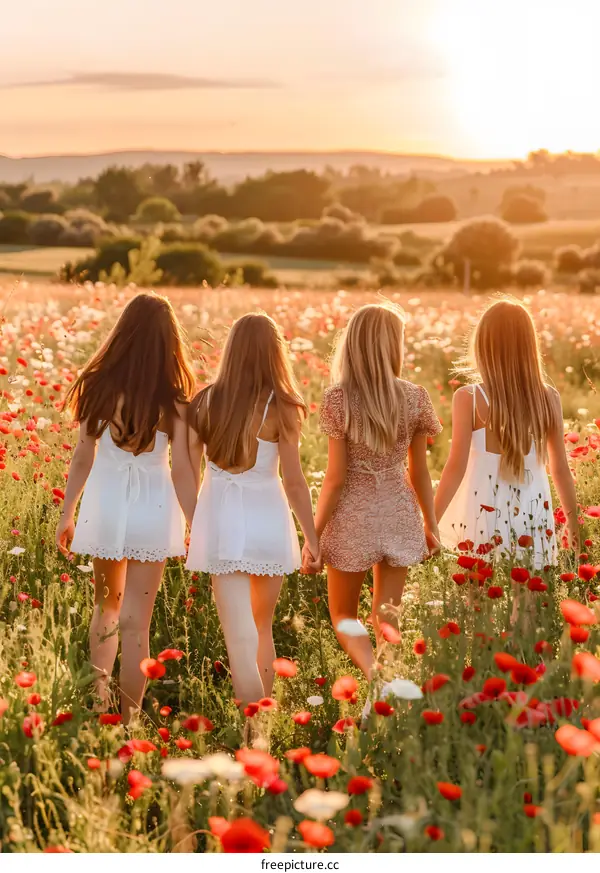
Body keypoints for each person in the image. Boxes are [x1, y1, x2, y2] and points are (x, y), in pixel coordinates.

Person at [56, 292, 195, 723]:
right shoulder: (174, 399)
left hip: (108, 503)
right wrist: (195, 521)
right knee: (138, 622)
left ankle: (99, 705)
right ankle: (130, 720)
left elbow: (83, 454)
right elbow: (183, 472)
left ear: (124, 333)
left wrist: (68, 512)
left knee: (106, 609)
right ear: (167, 341)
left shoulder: (98, 386)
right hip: (153, 508)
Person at [183, 312, 319, 708]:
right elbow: (295, 482)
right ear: (275, 354)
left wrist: (195, 524)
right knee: (261, 626)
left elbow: (187, 473)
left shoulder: (205, 401)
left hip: (222, 521)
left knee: (238, 633)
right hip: (269, 520)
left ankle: (251, 722)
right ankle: (261, 724)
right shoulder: (284, 407)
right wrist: (311, 538)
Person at [314, 302, 442, 692]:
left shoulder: (338, 399)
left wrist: (313, 535)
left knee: (343, 616)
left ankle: (376, 679)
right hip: (399, 511)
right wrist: (430, 524)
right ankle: (388, 687)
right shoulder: (415, 397)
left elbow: (334, 479)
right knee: (388, 617)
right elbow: (419, 471)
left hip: (354, 513)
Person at [435, 297, 579, 566]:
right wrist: (572, 522)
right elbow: (560, 469)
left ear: (483, 345)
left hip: (481, 512)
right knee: (527, 600)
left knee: (476, 601)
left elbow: (455, 467)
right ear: (529, 346)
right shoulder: (548, 398)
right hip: (532, 511)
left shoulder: (470, 398)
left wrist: (430, 522)